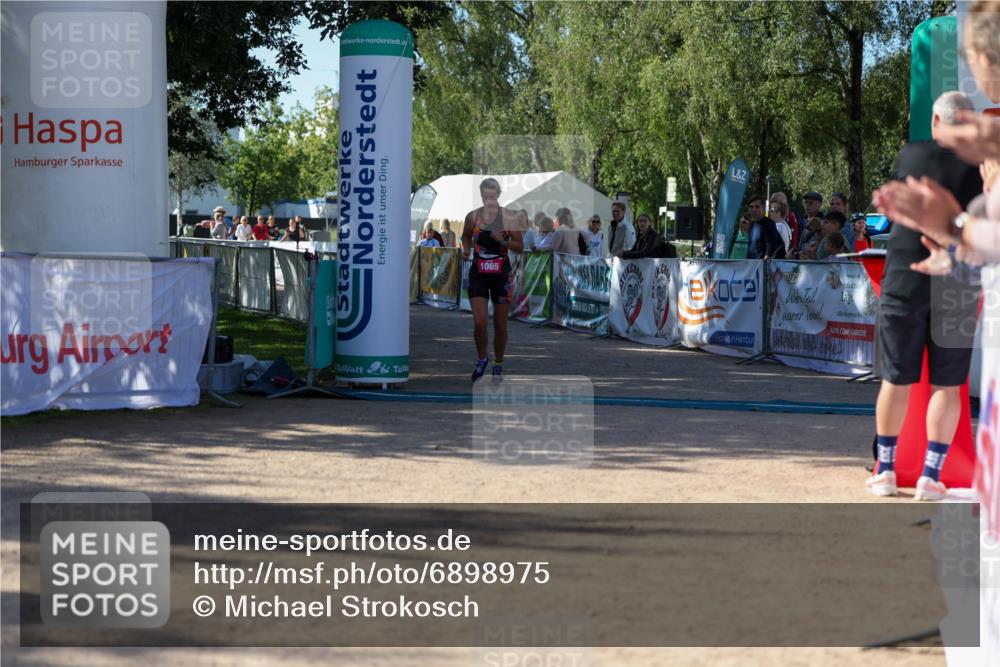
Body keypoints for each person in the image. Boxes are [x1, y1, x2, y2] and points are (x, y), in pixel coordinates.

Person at [866, 90, 984, 501]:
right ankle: (931, 477)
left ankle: (885, 470)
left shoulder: (910, 154)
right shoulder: (983, 165)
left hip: (904, 278)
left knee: (895, 379)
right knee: (947, 385)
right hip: (958, 280)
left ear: (936, 121)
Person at [462, 178, 524, 382]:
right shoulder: (472, 217)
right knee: (480, 322)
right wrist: (465, 250)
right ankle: (482, 359)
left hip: (501, 276)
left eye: (492, 196)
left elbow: (519, 246)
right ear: (481, 196)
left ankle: (498, 363)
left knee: (500, 324)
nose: (489, 200)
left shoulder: (509, 217)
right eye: (485, 196)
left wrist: (503, 240)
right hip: (478, 273)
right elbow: (465, 237)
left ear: (498, 195)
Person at [743, 194, 784, 260]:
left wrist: (765, 266)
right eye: (751, 207)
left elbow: (771, 248)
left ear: (763, 208)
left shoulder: (769, 224)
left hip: (763, 266)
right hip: (751, 265)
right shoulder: (752, 224)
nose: (754, 209)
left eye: (757, 207)